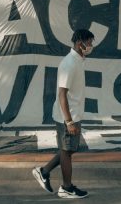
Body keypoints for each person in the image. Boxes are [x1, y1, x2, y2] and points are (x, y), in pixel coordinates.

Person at [32, 29, 94, 199]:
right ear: (79, 42)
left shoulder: (78, 60)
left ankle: (43, 172)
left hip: (74, 114)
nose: (91, 46)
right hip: (68, 116)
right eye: (89, 42)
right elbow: (62, 94)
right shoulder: (69, 64)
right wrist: (69, 121)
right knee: (67, 151)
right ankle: (66, 188)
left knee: (68, 149)